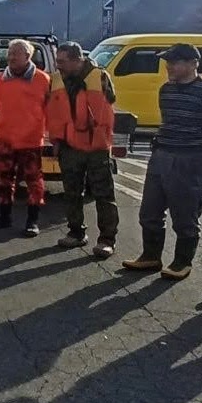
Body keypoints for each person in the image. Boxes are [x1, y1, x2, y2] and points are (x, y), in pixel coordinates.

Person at [122, 43, 202, 280]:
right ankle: (151, 256)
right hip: (161, 155)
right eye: (167, 62)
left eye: (175, 62)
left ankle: (182, 262)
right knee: (149, 211)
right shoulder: (166, 90)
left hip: (190, 160)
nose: (169, 67)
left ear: (193, 64)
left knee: (185, 214)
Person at [47, 41, 119, 258]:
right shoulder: (57, 79)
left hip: (96, 147)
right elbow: (54, 113)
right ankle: (76, 232)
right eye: (57, 61)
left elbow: (108, 108)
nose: (58, 65)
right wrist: (56, 141)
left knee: (104, 195)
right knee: (71, 192)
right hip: (69, 145)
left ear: (77, 60)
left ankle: (107, 240)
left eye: (62, 61)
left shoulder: (99, 77)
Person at [0, 39, 53, 237]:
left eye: (16, 53)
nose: (11, 57)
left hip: (31, 140)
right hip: (5, 139)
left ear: (28, 56)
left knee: (34, 182)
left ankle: (32, 221)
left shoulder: (43, 80)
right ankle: (4, 217)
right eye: (10, 53)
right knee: (4, 181)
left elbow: (49, 109)